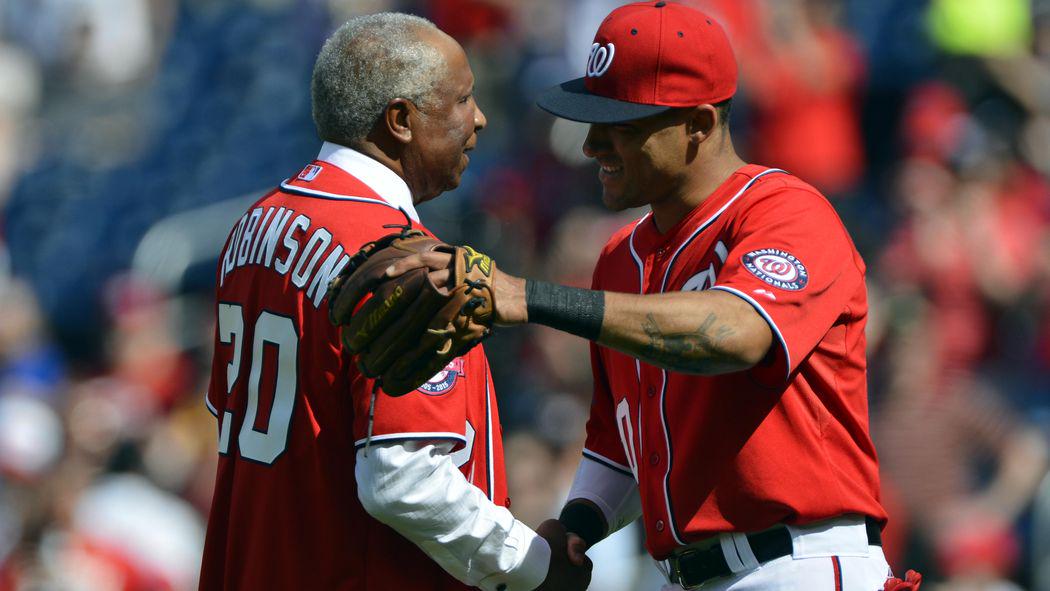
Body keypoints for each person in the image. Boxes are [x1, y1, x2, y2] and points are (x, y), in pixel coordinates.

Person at [385, 2, 910, 589]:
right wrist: (579, 523)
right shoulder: (620, 258)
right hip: (683, 573)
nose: (592, 145)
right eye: (592, 119)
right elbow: (620, 437)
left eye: (622, 126)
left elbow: (734, 334)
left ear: (700, 125)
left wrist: (529, 298)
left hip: (798, 562)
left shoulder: (787, 213)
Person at [198, 14, 590, 591]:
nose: (478, 118)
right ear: (401, 120)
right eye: (460, 99)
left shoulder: (251, 227)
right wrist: (531, 565)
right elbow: (402, 480)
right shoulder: (404, 262)